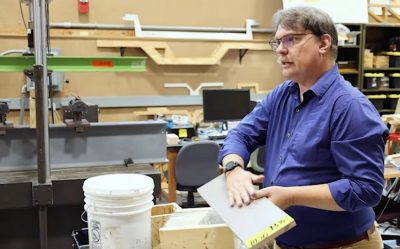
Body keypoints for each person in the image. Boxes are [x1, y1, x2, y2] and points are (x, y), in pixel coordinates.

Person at [219, 6, 389, 249]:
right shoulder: (282, 95)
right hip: (282, 238)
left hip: (341, 245)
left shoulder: (349, 107)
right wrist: (234, 169)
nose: (280, 49)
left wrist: (291, 196)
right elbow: (241, 134)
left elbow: (366, 189)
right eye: (277, 41)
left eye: (292, 39)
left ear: (324, 44)